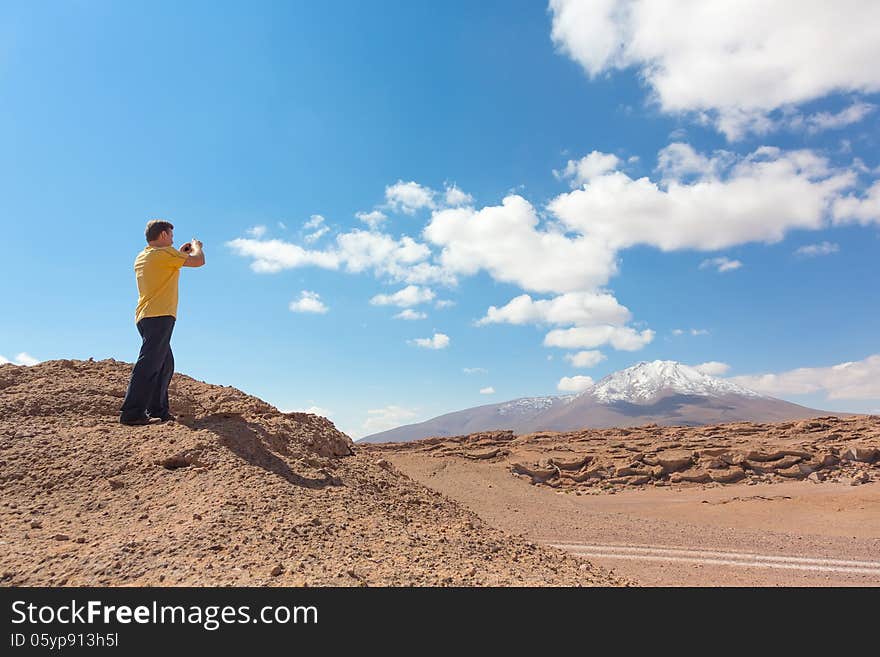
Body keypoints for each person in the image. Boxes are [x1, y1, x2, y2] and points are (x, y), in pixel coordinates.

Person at [119, 219, 205, 426]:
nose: (173, 240)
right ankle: (132, 413)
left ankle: (158, 410)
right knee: (149, 364)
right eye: (172, 236)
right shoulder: (164, 254)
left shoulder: (144, 255)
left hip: (146, 316)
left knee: (165, 364)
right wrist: (197, 247)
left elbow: (171, 263)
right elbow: (199, 261)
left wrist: (181, 253)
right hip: (160, 315)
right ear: (164, 235)